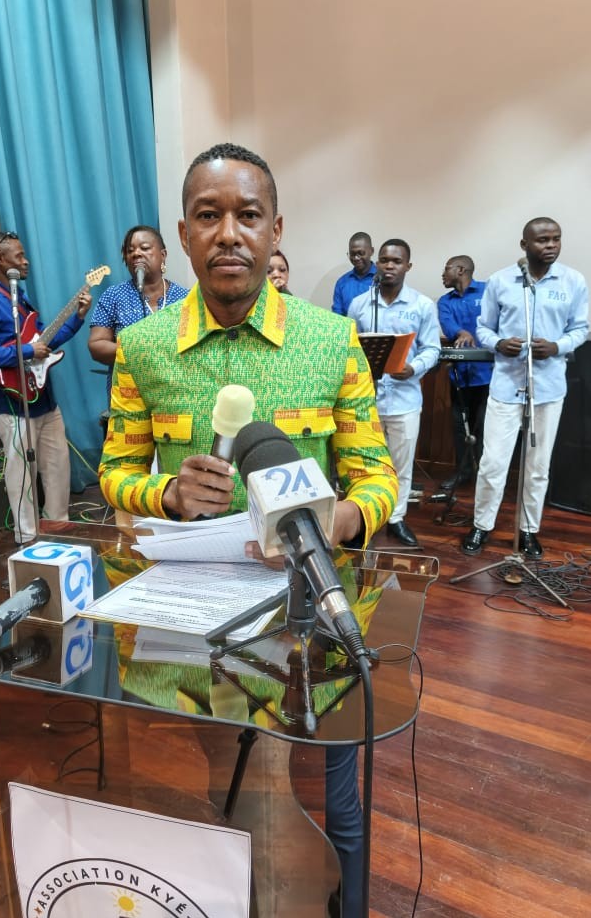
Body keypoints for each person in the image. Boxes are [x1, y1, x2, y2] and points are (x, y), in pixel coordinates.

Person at [99, 142, 398, 918]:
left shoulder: (331, 340)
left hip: (315, 627)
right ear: (183, 234)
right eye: (209, 215)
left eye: (248, 215)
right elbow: (114, 472)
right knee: (225, 785)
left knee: (331, 801)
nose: (229, 232)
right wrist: (166, 492)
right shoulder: (143, 348)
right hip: (200, 631)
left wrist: (338, 516)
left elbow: (379, 479)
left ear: (275, 231)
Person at [461, 217, 589, 559]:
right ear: (524, 245)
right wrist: (498, 343)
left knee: (538, 467)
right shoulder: (501, 281)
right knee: (493, 463)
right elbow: (483, 328)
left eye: (556, 239)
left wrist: (559, 346)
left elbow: (580, 329)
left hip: (548, 389)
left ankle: (529, 530)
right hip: (506, 386)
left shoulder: (573, 281)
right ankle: (482, 525)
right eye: (542, 240)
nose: (550, 245)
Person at [0, 231, 92, 543]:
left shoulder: (18, 296)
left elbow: (44, 343)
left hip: (42, 397)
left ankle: (57, 526)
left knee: (57, 464)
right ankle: (27, 537)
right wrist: (25, 352)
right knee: (21, 471)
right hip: (10, 400)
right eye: (19, 255)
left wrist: (77, 318)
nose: (26, 261)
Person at [348, 239, 440, 548]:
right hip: (366, 400)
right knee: (366, 463)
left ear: (408, 266)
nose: (389, 266)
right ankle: (366, 516)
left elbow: (432, 349)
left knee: (401, 464)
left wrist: (413, 368)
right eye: (385, 260)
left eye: (397, 261)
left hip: (404, 399)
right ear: (377, 263)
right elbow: (349, 348)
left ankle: (396, 518)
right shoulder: (360, 304)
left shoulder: (422, 305)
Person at [88, 225, 188, 388]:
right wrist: (137, 351)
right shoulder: (113, 296)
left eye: (145, 248)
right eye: (130, 251)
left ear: (163, 255)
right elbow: (96, 345)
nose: (136, 254)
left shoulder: (185, 298)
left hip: (176, 390)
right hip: (128, 394)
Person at [437, 255, 492, 489]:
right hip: (459, 375)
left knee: (485, 427)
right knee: (460, 427)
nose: (443, 274)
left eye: (446, 269)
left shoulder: (488, 291)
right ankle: (463, 472)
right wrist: (461, 333)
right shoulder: (445, 301)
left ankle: (485, 477)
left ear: (460, 270)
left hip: (489, 375)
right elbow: (448, 325)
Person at [331, 232, 376, 316]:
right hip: (348, 324)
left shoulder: (383, 279)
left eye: (361, 253)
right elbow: (337, 316)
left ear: (371, 251)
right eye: (352, 254)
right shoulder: (342, 283)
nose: (356, 258)